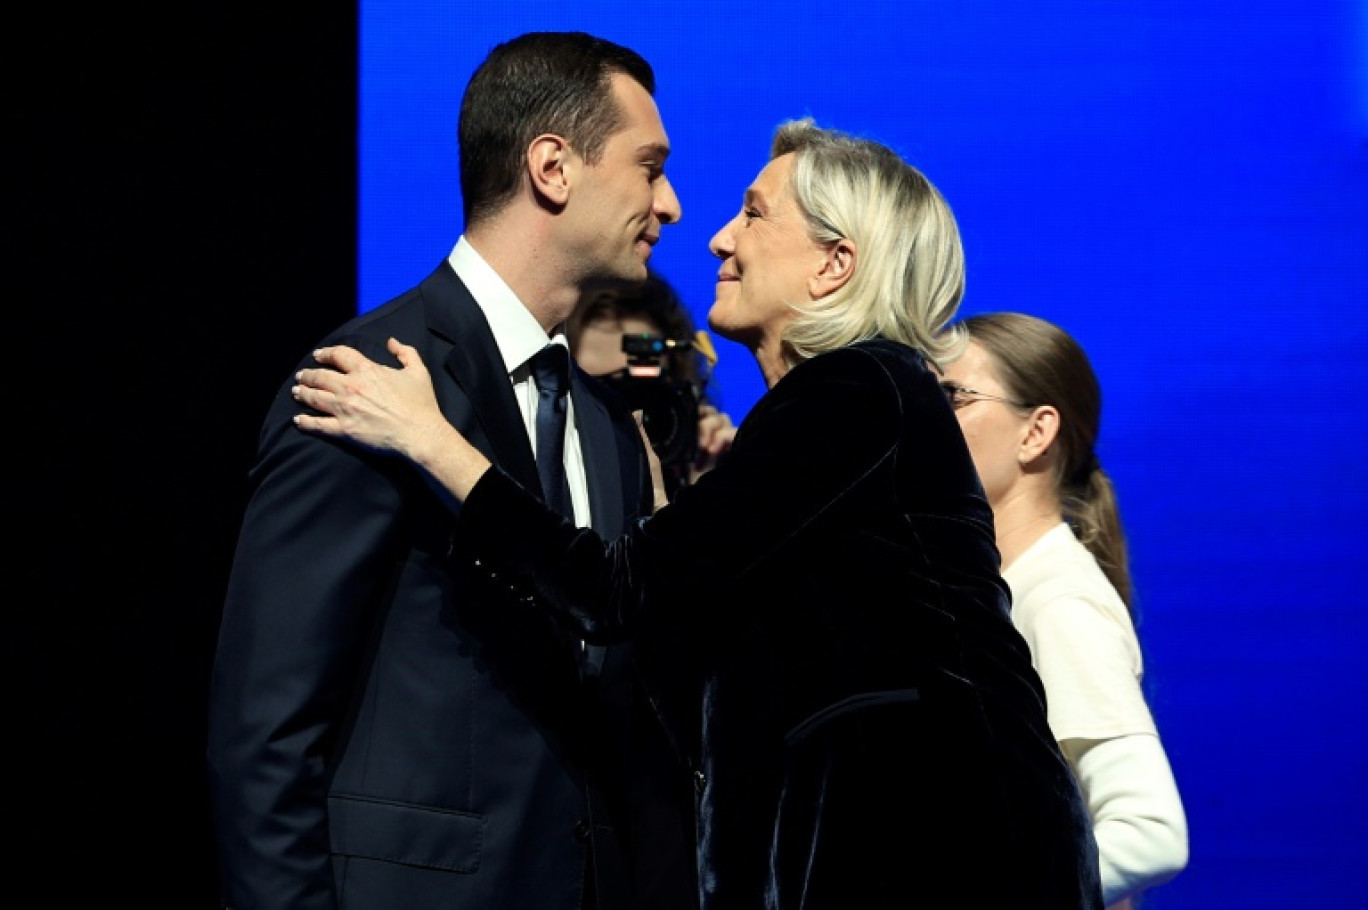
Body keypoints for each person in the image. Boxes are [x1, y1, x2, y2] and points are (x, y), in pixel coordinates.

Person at [290, 117, 1105, 909]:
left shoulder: (860, 394)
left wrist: (432, 440)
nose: (719, 238)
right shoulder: (834, 418)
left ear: (834, 266)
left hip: (943, 867)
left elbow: (616, 593)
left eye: (753, 213)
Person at [207, 31, 697, 910]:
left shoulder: (606, 417)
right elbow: (265, 733)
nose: (672, 205)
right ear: (553, 166)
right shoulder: (362, 383)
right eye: (649, 166)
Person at [939, 312, 1189, 908]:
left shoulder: (1057, 599)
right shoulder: (1003, 588)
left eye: (951, 397)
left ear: (1036, 433)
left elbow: (1151, 833)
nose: (925, 419)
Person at [567, 269, 737, 498]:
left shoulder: (708, 471)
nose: (635, 418)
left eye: (647, 395)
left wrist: (709, 499)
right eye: (604, 392)